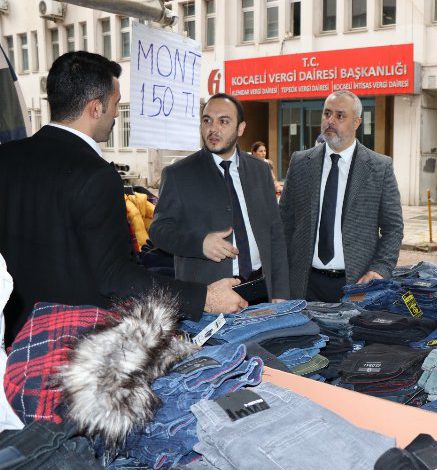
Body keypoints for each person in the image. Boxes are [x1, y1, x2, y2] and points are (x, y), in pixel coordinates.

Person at [0, 52, 245, 344]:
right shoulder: (96, 175)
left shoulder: (6, 157)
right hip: (70, 350)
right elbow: (116, 278)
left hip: (13, 338)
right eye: (116, 104)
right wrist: (204, 297)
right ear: (95, 108)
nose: (117, 114)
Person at [150, 94, 290, 301]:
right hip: (211, 296)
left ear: (240, 128)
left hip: (261, 290)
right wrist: (199, 244)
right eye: (207, 120)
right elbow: (159, 231)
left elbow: (275, 234)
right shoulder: (178, 174)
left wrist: (280, 293)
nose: (213, 129)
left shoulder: (260, 170)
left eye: (223, 121)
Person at [279, 91, 404, 302]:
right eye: (327, 114)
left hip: (356, 285)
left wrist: (380, 269)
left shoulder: (379, 167)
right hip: (304, 284)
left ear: (357, 122)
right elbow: (284, 223)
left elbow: (393, 228)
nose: (330, 121)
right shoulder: (301, 163)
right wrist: (279, 279)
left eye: (340, 116)